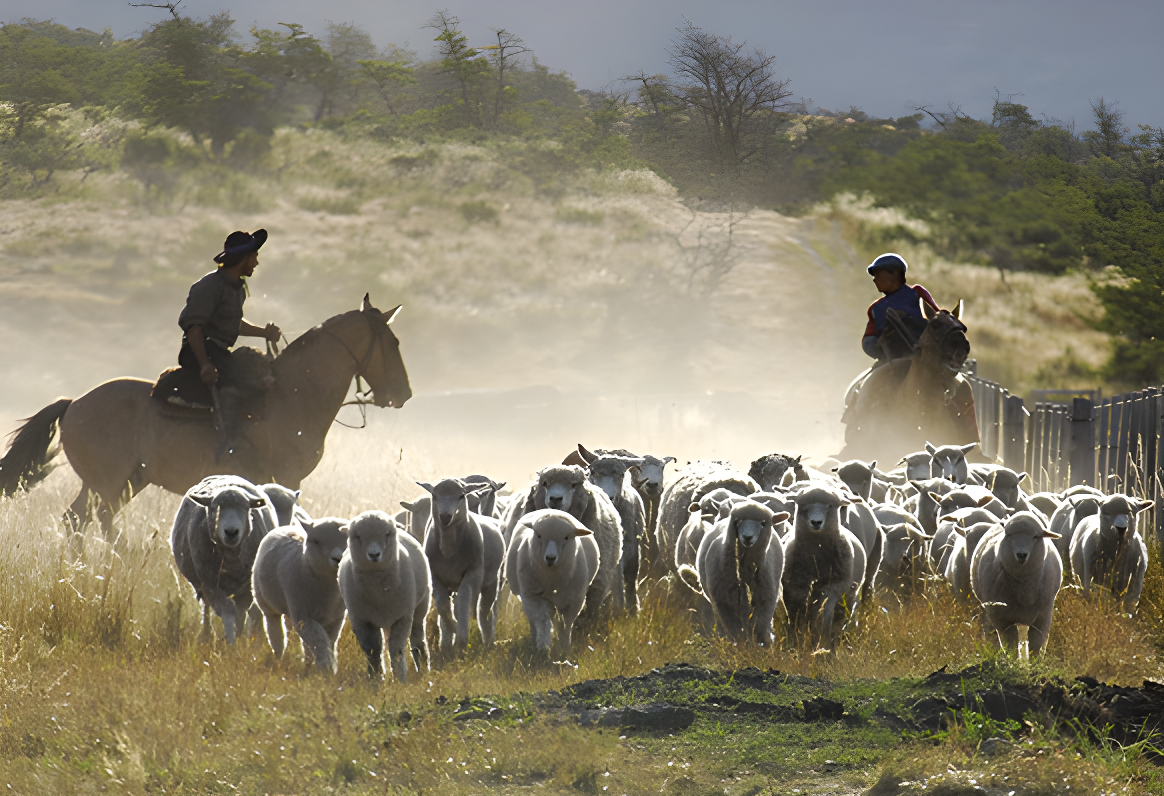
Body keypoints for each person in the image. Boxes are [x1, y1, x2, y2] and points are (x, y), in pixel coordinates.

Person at [178, 229, 281, 457]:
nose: (256, 262)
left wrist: (264, 333)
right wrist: (204, 364)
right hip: (199, 350)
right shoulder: (210, 286)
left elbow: (233, 322)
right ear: (242, 259)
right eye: (253, 256)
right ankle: (227, 442)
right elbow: (194, 327)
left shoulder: (237, 287)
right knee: (235, 379)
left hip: (218, 352)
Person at [861, 253, 939, 362]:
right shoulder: (875, 309)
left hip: (926, 356)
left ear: (894, 273)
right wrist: (877, 345)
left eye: (878, 275)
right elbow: (868, 340)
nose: (874, 280)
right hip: (892, 361)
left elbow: (938, 320)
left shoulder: (917, 293)